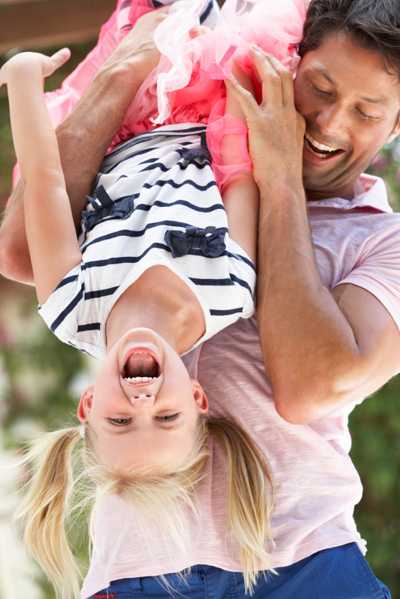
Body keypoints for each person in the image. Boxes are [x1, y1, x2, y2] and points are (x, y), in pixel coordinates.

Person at [1, 0, 399, 598]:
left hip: (304, 562)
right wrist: (123, 66)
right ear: (289, 62)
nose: (331, 124)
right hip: (139, 570)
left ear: (396, 126)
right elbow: (20, 249)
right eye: (318, 89)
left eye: (368, 113)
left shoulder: (382, 239)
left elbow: (308, 386)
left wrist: (279, 178)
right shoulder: (178, 172)